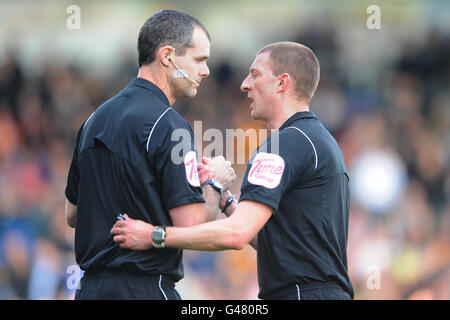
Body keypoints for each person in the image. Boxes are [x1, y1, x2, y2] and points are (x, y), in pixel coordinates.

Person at [111, 41, 354, 300]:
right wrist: (226, 199)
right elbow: (281, 245)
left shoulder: (285, 143)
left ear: (282, 83)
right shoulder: (320, 141)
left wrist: (154, 235)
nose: (244, 84)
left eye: (255, 74)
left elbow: (238, 234)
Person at [64, 9, 235, 300]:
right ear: (167, 56)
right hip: (146, 287)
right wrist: (215, 184)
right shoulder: (170, 125)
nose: (205, 71)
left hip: (89, 290)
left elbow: (72, 214)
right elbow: (192, 227)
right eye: (199, 60)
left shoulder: (93, 121)